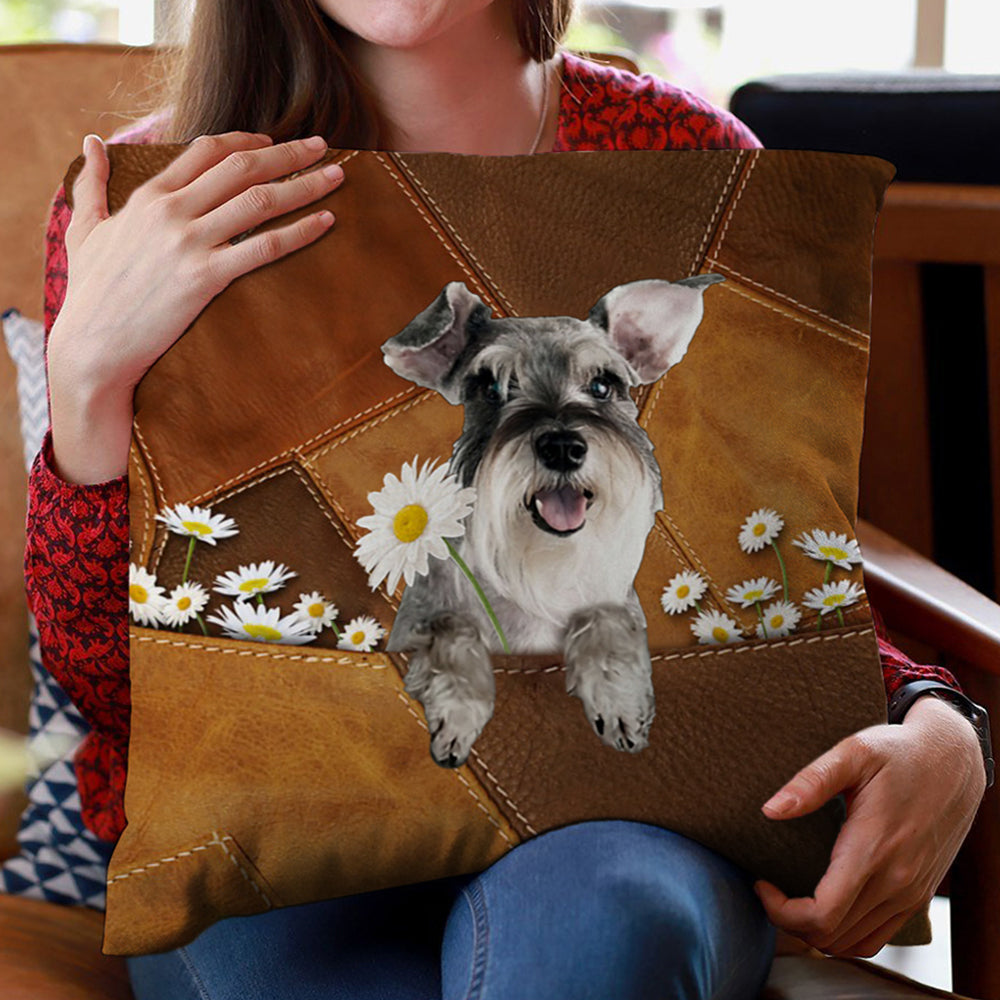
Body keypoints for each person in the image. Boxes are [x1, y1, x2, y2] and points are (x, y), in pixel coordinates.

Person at [24, 1, 987, 997]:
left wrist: (934, 713)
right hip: (268, 814)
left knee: (602, 930)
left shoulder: (697, 169)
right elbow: (107, 682)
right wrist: (88, 382)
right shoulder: (152, 207)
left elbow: (762, 555)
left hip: (620, 816)